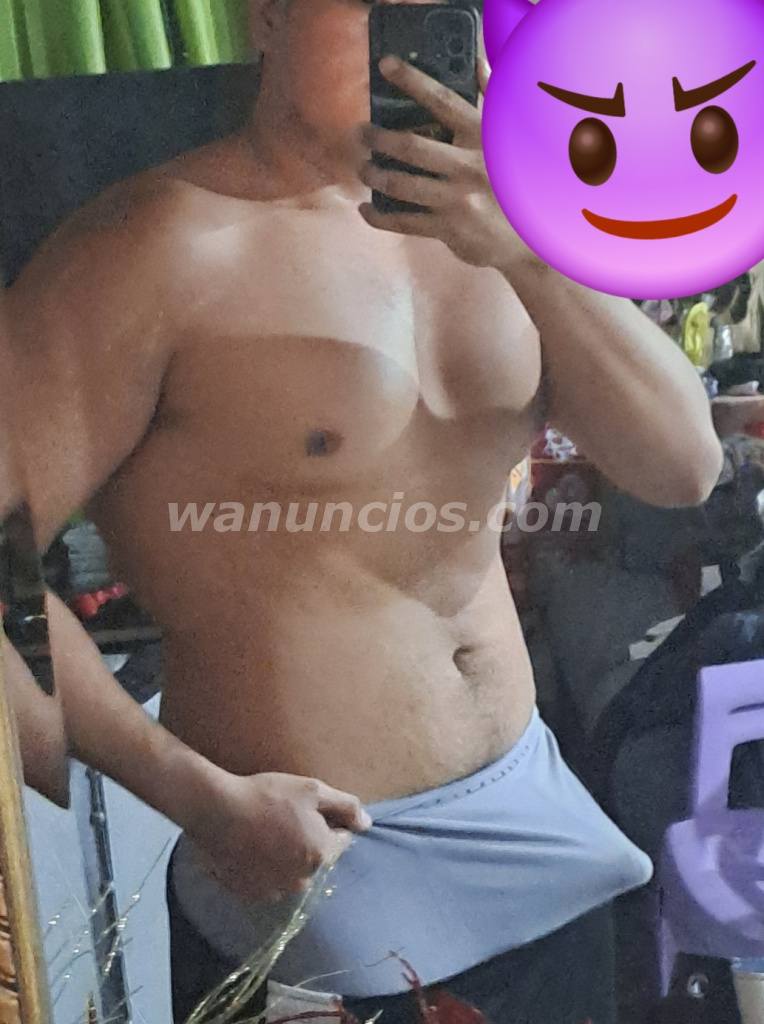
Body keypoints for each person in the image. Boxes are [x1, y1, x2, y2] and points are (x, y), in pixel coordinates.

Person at [3, 0, 723, 1021]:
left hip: (537, 823)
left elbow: (684, 467)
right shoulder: (149, 249)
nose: (405, 32)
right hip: (306, 869)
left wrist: (525, 248)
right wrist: (198, 799)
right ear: (265, 17)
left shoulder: (505, 225)